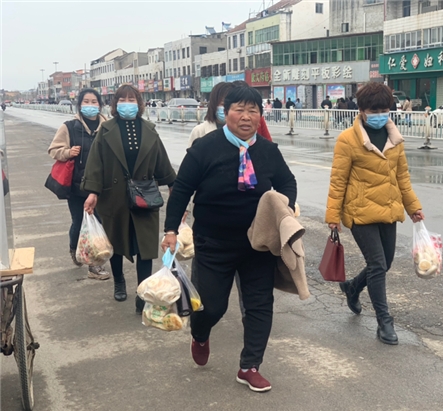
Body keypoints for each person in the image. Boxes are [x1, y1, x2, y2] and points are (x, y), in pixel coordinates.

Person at [162, 86, 297, 392]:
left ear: (260, 116)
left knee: (260, 305)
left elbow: (287, 182)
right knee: (210, 307)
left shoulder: (268, 150)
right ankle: (200, 334)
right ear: (226, 113)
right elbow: (181, 190)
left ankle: (250, 366)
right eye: (239, 110)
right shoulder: (204, 148)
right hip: (213, 243)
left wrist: (284, 208)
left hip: (258, 244)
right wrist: (171, 231)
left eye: (253, 111)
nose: (246, 117)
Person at [325, 82, 424, 345]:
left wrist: (413, 207)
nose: (380, 114)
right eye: (374, 110)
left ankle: (352, 287)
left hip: (388, 210)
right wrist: (333, 217)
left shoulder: (395, 139)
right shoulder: (348, 139)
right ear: (361, 110)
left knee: (384, 263)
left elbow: (402, 177)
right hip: (359, 212)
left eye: (384, 109)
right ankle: (384, 322)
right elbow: (338, 181)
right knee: (378, 265)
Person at [81, 85, 177, 313]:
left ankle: (143, 292)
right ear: (115, 103)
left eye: (131, 99)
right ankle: (119, 282)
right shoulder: (106, 130)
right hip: (114, 197)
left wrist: (174, 189)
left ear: (139, 103)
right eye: (122, 99)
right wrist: (93, 192)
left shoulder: (150, 130)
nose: (127, 103)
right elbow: (95, 164)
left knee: (145, 246)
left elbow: (162, 163)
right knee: (116, 243)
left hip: (145, 196)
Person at [48, 88, 110, 280]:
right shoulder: (69, 127)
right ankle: (74, 247)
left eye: (94, 102)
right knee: (79, 222)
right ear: (80, 105)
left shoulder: (109, 127)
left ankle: (94, 264)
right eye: (86, 102)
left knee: (99, 222)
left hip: (101, 186)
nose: (90, 105)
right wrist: (67, 152)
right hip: (77, 186)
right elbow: (53, 150)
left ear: (100, 105)